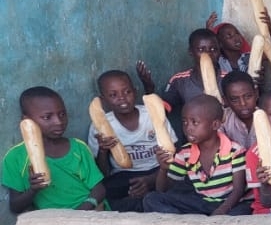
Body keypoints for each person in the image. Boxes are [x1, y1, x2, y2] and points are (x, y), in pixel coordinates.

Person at [142, 95, 252, 215]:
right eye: (185, 122)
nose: (188, 128)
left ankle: (195, 221)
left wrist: (221, 211)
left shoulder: (234, 150)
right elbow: (163, 190)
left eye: (195, 122)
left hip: (230, 204)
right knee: (152, 199)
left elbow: (238, 190)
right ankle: (186, 223)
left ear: (215, 125)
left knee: (244, 210)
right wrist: (163, 169)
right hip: (202, 203)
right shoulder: (185, 153)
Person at [4, 87, 106, 213]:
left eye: (62, 114)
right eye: (47, 117)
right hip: (53, 220)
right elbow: (15, 207)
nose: (58, 122)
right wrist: (33, 189)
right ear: (26, 121)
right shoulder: (15, 157)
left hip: (90, 210)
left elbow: (99, 189)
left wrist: (80, 212)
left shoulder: (78, 147)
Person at [88, 70, 177, 212]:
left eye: (127, 92)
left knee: (178, 181)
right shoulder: (100, 126)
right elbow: (102, 173)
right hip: (125, 177)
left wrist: (150, 180)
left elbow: (174, 155)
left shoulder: (152, 115)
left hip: (157, 170)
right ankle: (143, 201)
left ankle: (144, 201)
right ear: (103, 100)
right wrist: (103, 150)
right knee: (104, 192)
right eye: (113, 95)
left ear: (135, 92)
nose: (122, 98)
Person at [160, 28, 227, 113]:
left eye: (213, 49)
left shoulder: (228, 79)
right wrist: (150, 90)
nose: (208, 54)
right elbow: (165, 108)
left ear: (219, 52)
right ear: (191, 52)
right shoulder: (179, 81)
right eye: (201, 50)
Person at [220, 71, 259, 149]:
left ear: (256, 94)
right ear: (225, 101)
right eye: (234, 99)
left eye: (248, 96)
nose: (243, 103)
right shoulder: (223, 119)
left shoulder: (269, 117)